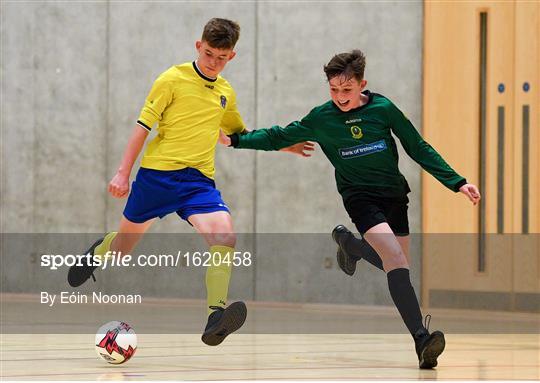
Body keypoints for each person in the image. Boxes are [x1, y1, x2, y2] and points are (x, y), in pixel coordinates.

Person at [221, 50, 480, 368]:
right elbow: (279, 136)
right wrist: (235, 141)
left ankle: (352, 246)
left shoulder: (383, 109)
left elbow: (417, 146)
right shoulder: (322, 118)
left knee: (397, 264)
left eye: (346, 89)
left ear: (362, 84)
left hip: (394, 195)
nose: (340, 97)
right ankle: (421, 340)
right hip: (359, 197)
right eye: (333, 90)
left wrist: (457, 182)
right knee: (395, 259)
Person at [67, 18, 309, 346]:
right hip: (156, 178)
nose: (213, 62)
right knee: (123, 249)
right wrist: (123, 172)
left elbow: (239, 135)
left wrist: (283, 145)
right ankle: (99, 252)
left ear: (232, 57)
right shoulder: (172, 79)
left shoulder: (225, 92)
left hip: (198, 183)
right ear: (199, 46)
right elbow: (143, 125)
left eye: (221, 57)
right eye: (209, 53)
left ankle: (215, 317)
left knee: (225, 237)